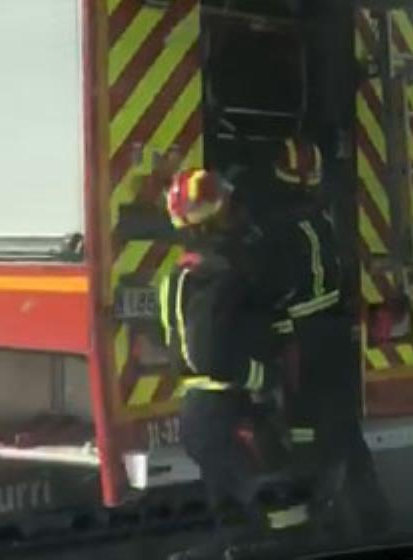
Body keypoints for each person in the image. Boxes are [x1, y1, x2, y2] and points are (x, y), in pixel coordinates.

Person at [160, 168, 310, 560]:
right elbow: (210, 354)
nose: (237, 211)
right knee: (281, 508)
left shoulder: (179, 273)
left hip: (201, 413)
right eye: (227, 206)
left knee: (233, 517)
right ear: (214, 217)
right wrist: (264, 375)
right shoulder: (220, 274)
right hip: (227, 411)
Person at [256, 137, 392, 541]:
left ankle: (311, 520)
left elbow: (270, 286)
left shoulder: (277, 227)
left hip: (303, 339)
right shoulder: (321, 220)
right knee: (344, 427)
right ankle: (371, 516)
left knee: (304, 430)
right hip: (334, 335)